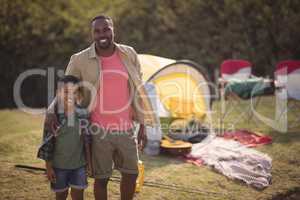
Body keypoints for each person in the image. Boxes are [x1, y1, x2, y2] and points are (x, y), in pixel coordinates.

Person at [45, 15, 158, 200]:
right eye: (97, 31)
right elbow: (66, 89)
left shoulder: (129, 54)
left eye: (106, 29)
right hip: (98, 130)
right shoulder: (79, 59)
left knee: (131, 174)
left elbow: (138, 89)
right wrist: (51, 111)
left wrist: (143, 124)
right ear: (92, 34)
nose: (102, 34)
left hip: (126, 128)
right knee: (102, 179)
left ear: (113, 30)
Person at [38, 75, 92, 200]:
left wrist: (89, 163)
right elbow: (47, 143)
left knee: (78, 195)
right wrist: (49, 167)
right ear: (58, 93)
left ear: (79, 95)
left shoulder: (83, 114)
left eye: (74, 92)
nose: (70, 96)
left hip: (79, 166)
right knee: (61, 195)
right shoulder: (54, 117)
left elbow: (87, 141)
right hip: (58, 166)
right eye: (66, 92)